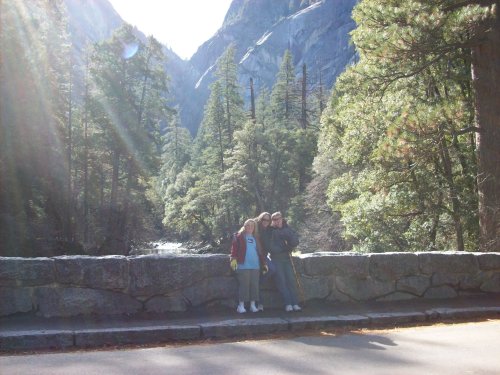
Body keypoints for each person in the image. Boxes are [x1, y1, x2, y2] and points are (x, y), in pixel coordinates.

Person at [265, 211, 301, 312]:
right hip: (276, 259)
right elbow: (270, 246)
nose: (277, 221)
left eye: (278, 218)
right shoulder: (270, 231)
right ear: (272, 221)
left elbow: (295, 240)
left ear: (281, 218)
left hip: (287, 259)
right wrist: (282, 248)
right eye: (274, 219)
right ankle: (288, 303)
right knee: (281, 281)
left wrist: (289, 244)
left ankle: (295, 303)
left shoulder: (287, 228)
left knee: (291, 280)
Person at [230, 219, 268, 313]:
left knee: (254, 285)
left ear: (254, 227)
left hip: (255, 266)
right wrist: (233, 260)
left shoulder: (256, 238)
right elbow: (234, 249)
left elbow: (260, 252)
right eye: (248, 225)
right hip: (243, 265)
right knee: (244, 285)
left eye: (252, 225)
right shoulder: (238, 236)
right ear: (244, 226)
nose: (250, 227)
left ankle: (252, 305)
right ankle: (241, 306)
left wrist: (264, 264)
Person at [254, 212, 273, 311]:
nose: (266, 222)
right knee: (256, 279)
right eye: (264, 220)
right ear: (260, 219)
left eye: (268, 220)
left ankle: (260, 282)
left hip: (264, 257)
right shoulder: (255, 228)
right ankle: (259, 304)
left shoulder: (269, 230)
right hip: (255, 257)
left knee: (272, 269)